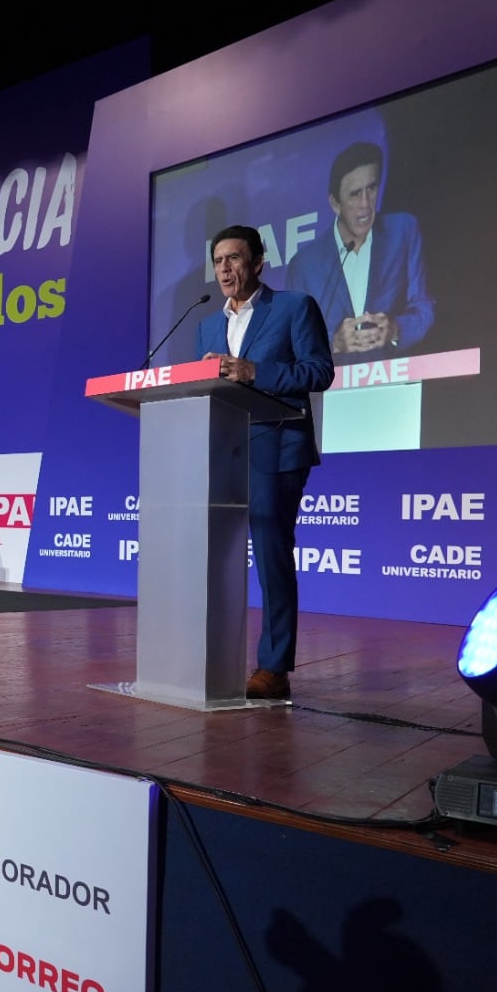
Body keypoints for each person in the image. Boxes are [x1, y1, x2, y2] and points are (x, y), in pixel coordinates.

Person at [197, 226, 334, 699]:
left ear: (258, 262)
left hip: (277, 447)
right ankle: (211, 654)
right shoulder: (207, 326)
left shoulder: (295, 307)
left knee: (272, 553)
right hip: (226, 450)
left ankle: (273, 667)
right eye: (219, 261)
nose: (225, 269)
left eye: (235, 258)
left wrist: (256, 372)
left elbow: (319, 372)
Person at [285, 141, 434, 361]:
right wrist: (333, 342)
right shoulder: (304, 265)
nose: (365, 204)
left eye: (371, 188)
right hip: (331, 390)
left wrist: (395, 330)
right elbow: (292, 341)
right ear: (335, 204)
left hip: (395, 384)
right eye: (355, 194)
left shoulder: (403, 231)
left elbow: (424, 307)